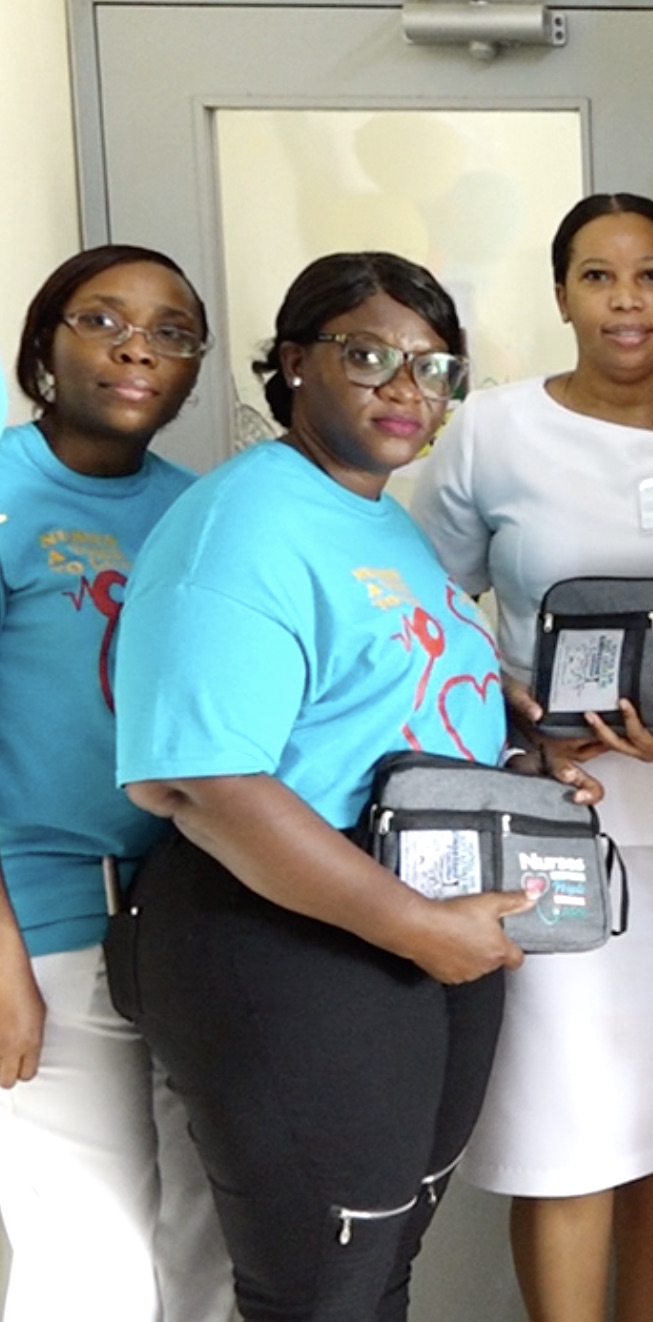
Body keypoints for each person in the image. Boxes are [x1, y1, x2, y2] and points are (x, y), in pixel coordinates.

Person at [113, 251, 591, 1322]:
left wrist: (518, 752)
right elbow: (209, 782)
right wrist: (415, 927)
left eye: (436, 366)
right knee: (321, 1287)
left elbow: (378, 705)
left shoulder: (381, 518)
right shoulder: (243, 523)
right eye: (370, 355)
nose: (408, 387)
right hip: (288, 937)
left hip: (413, 935)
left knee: (379, 1266)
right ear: (293, 362)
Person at [409, 193, 653, 1322]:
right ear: (562, 295)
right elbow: (426, 612)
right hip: (549, 817)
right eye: (600, 277)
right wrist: (510, 712)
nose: (627, 301)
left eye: (651, 275)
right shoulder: (493, 431)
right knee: (565, 1129)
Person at [0, 245, 231, 1320]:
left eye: (172, 332)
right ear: (44, 344)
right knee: (88, 1266)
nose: (139, 347)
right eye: (102, 320)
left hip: (197, 924)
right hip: (47, 930)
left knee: (209, 1255)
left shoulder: (205, 512)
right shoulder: (7, 493)